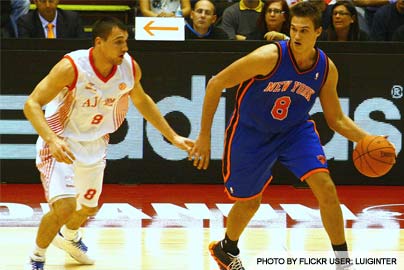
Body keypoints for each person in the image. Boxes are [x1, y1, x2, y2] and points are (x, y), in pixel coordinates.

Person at [189, 2, 393, 270]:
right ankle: (227, 248)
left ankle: (343, 263)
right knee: (250, 202)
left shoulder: (326, 68)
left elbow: (337, 119)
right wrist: (204, 136)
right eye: (294, 29)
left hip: (295, 130)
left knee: (327, 189)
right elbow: (216, 83)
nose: (297, 36)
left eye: (304, 30)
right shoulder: (268, 57)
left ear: (318, 31)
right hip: (252, 132)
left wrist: (366, 139)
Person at [23, 17, 194, 270]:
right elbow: (31, 104)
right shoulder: (72, 67)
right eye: (118, 42)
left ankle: (69, 238)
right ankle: (37, 258)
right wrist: (51, 139)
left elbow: (142, 100)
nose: (125, 48)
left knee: (88, 209)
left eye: (126, 41)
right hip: (62, 143)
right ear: (99, 42)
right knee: (66, 206)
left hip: (96, 143)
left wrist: (173, 136)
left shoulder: (129, 68)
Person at [17, 0, 85, 38]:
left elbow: (81, 48)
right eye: (43, 1)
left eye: (51, 1)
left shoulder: (72, 19)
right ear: (35, 2)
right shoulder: (25, 22)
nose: (47, 5)